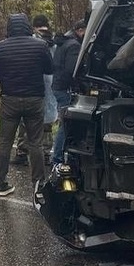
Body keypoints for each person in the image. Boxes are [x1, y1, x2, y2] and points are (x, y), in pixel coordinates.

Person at [0, 13, 53, 196]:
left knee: (5, 142)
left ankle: (1, 183)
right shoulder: (40, 45)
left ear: (9, 28)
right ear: (27, 27)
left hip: (10, 98)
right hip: (34, 98)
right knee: (36, 143)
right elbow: (49, 69)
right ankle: (39, 184)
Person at [13, 14, 56, 164]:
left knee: (26, 119)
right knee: (47, 123)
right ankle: (45, 153)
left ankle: (22, 152)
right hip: (50, 84)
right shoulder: (54, 41)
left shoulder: (30, 40)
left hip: (30, 84)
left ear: (34, 26)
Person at [51, 17, 86, 166]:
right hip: (66, 89)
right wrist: (80, 85)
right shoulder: (74, 46)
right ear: (79, 30)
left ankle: (60, 156)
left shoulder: (64, 42)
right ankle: (58, 158)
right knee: (66, 126)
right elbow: (72, 71)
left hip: (59, 87)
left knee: (64, 123)